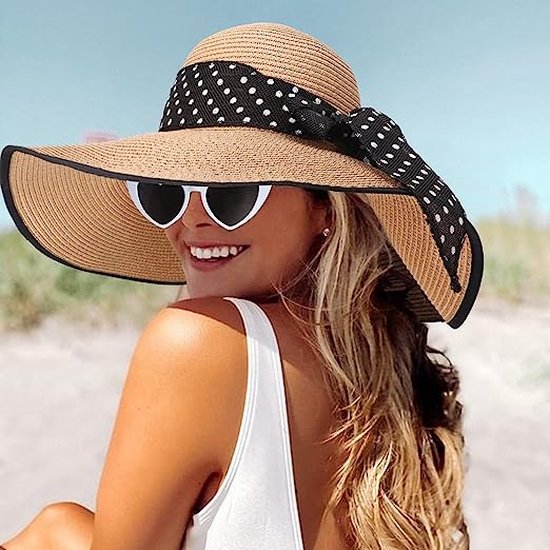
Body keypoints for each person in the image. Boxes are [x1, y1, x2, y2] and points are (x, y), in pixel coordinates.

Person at [0, 21, 483, 550]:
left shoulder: (197, 344)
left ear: (325, 207)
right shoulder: (381, 365)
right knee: (58, 524)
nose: (191, 219)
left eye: (230, 190)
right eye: (167, 190)